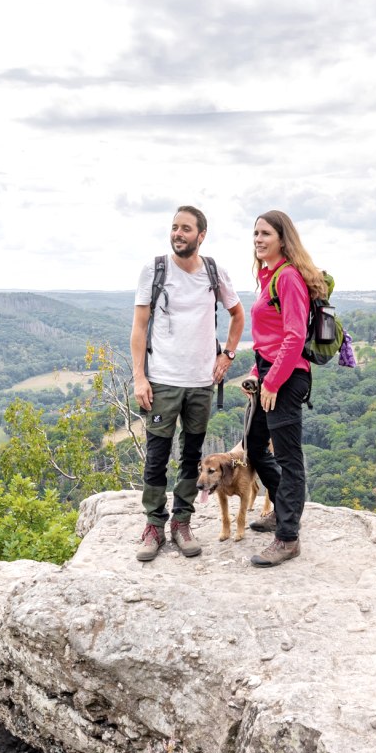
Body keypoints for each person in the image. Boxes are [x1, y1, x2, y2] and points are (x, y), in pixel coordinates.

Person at [130, 205, 245, 562]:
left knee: (192, 456)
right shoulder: (155, 268)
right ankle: (153, 526)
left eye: (186, 228)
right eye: (174, 227)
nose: (178, 233)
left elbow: (238, 315)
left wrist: (227, 355)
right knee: (157, 456)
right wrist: (139, 376)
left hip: (200, 382)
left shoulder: (213, 271)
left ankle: (181, 522)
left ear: (201, 235)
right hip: (162, 380)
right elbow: (138, 327)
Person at [243, 209, 326, 567]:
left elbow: (293, 337)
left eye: (265, 234)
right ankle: (282, 510)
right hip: (269, 372)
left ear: (282, 239)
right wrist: (256, 374)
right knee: (254, 445)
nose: (259, 240)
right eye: (256, 234)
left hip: (288, 377)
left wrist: (273, 380)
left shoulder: (288, 277)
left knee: (289, 458)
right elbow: (269, 336)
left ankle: (288, 538)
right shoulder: (269, 276)